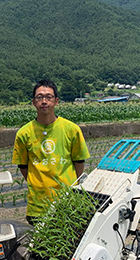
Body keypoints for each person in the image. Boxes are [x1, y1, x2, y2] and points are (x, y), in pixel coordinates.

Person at [12, 79, 90, 225]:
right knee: (40, 246)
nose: (44, 101)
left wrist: (74, 187)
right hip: (38, 205)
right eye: (39, 97)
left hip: (67, 202)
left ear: (56, 101)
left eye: (49, 97)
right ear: (34, 102)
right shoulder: (24, 133)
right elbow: (23, 166)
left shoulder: (71, 129)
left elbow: (79, 161)